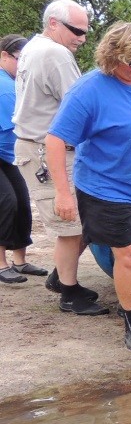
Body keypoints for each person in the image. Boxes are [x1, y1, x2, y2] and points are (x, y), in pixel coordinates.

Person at [45, 22, 131, 351]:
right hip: (106, 187)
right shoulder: (89, 90)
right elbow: (56, 140)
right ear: (112, 57)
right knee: (129, 255)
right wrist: (63, 193)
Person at [12, 0, 104, 314]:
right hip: (48, 149)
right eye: (76, 30)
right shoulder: (56, 54)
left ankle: (60, 277)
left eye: (85, 31)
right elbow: (81, 105)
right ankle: (68, 292)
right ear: (53, 23)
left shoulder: (32, 48)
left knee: (80, 220)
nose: (82, 37)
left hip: (34, 145)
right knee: (72, 225)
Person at [1, 35, 47, 284]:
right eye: (20, 59)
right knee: (5, 202)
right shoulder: (4, 86)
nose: (23, 64)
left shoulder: (14, 82)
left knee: (21, 202)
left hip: (10, 156)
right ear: (5, 55)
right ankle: (1, 264)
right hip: (4, 154)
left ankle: (20, 261)